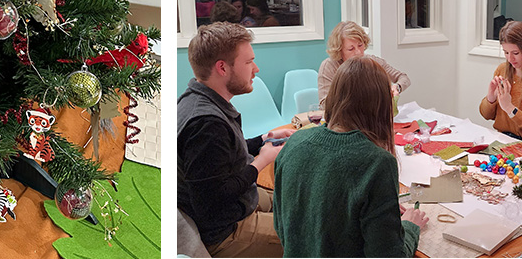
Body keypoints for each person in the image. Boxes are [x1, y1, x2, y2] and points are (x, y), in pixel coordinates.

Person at [273, 56, 428, 257]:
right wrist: (410, 227)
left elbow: (281, 225)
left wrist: (378, 207)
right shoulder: (377, 163)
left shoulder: (295, 142)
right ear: (382, 104)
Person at [178, 23, 294, 257]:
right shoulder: (205, 124)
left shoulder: (199, 99)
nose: (256, 69)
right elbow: (212, 199)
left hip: (239, 203)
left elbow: (222, 156)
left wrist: (263, 139)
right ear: (222, 67)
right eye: (249, 62)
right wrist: (262, 161)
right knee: (310, 230)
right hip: (226, 233)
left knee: (295, 197)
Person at [318, 21, 410, 109]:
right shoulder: (329, 66)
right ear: (339, 50)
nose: (358, 52)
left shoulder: (372, 61)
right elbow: (324, 105)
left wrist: (397, 87)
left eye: (360, 45)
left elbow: (404, 78)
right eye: (351, 49)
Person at [480, 20, 522, 144]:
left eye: (515, 53)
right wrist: (490, 98)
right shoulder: (502, 70)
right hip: (501, 140)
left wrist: (510, 108)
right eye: (506, 52)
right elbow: (486, 115)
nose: (510, 59)